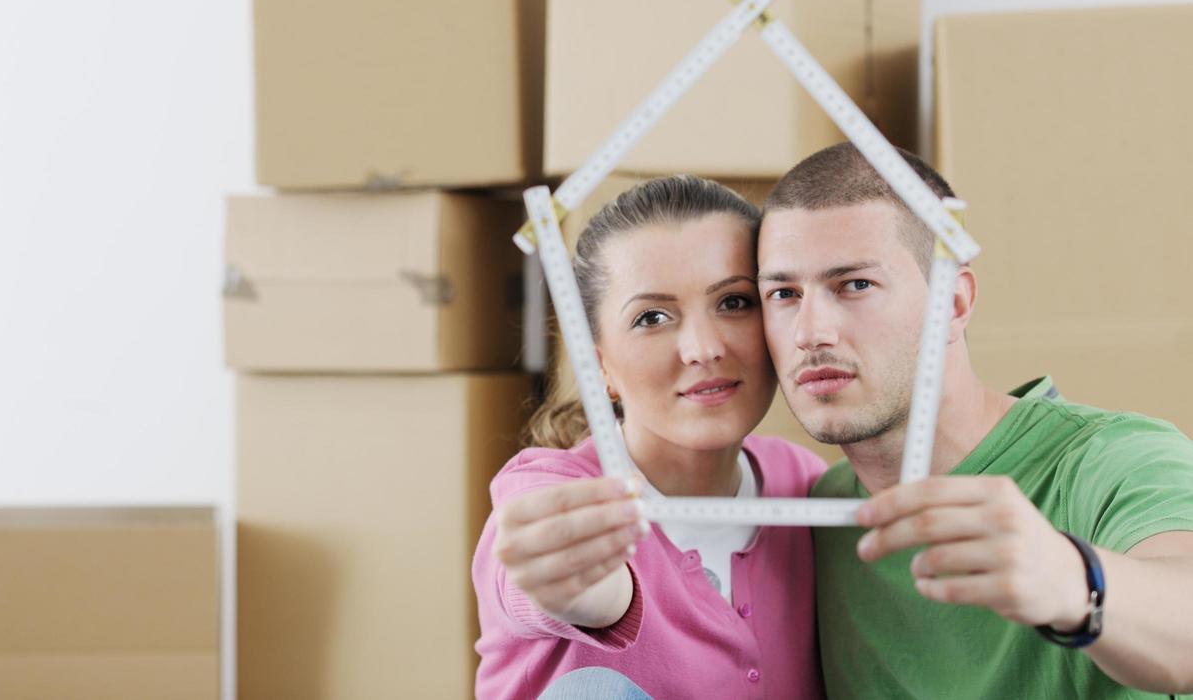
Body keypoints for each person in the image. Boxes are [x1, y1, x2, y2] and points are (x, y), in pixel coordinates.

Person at [756, 142, 1193, 697]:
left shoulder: (1115, 460)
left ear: (954, 304)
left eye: (855, 285)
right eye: (783, 293)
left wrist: (1071, 580)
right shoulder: (820, 514)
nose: (810, 332)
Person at [472, 176, 827, 699]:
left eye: (733, 302)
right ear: (600, 369)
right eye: (651, 317)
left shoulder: (802, 481)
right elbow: (537, 573)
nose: (703, 348)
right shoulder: (550, 488)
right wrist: (574, 588)